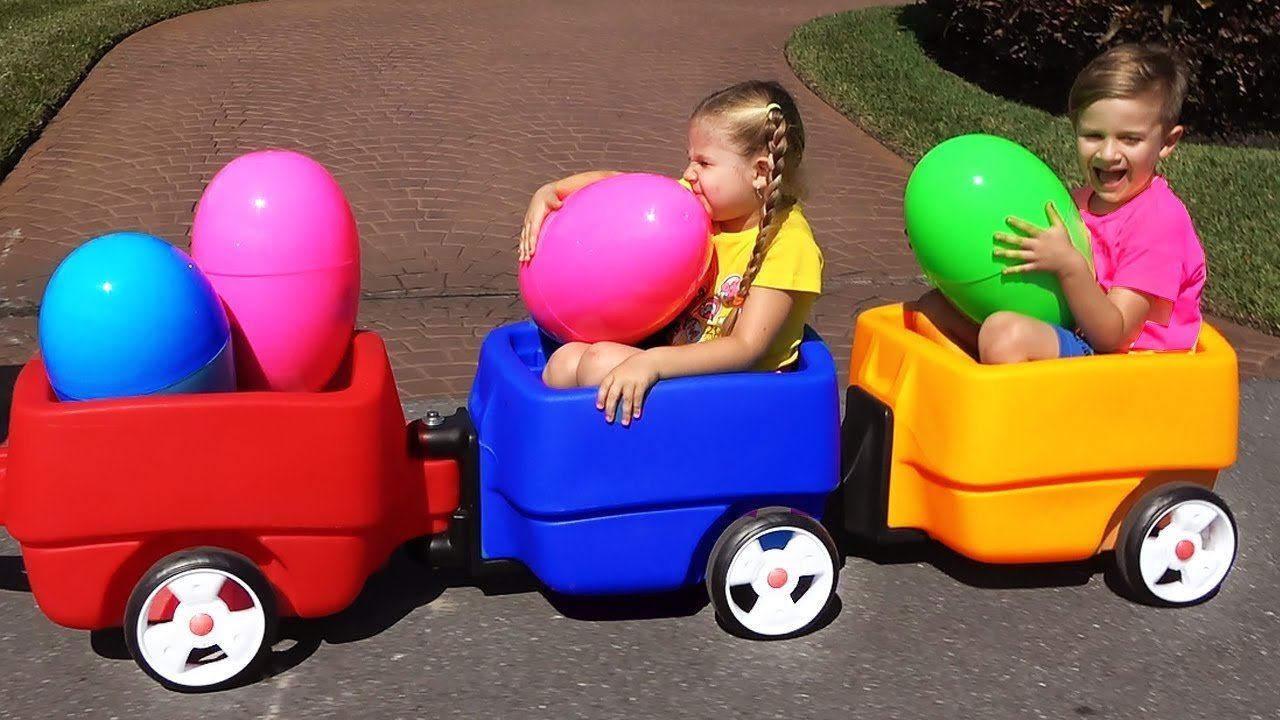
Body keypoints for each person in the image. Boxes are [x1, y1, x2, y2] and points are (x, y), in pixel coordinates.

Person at [519, 80, 823, 425]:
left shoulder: (788, 243)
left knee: (598, 363)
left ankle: (604, 450)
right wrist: (553, 191)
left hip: (741, 400)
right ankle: (569, 444)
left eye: (704, 163)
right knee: (563, 363)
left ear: (761, 172)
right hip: (682, 372)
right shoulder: (703, 207)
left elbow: (746, 348)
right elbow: (620, 184)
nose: (689, 173)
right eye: (689, 159)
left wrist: (652, 363)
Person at [916, 43, 1206, 363]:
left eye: (1130, 139)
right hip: (1077, 334)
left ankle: (1004, 391)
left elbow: (1113, 336)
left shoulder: (1158, 222)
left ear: (1167, 142)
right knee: (933, 309)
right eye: (1093, 135)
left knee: (1005, 336)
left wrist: (1069, 266)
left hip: (1128, 361)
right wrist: (937, 234)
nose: (1108, 153)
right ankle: (971, 386)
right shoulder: (1077, 203)